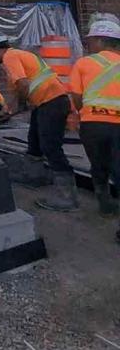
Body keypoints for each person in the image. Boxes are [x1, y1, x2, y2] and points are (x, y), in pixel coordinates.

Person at [0, 34, 77, 211]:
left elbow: (23, 84)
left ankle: (68, 198)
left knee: (51, 147)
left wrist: (21, 103)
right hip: (46, 103)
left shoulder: (10, 57)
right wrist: (8, 110)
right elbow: (16, 90)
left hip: (52, 102)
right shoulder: (20, 55)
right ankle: (36, 177)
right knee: (34, 141)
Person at [68, 13, 120, 241]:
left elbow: (77, 97)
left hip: (93, 125)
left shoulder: (83, 63)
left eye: (90, 40)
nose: (88, 44)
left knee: (99, 165)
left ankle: (105, 204)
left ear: (99, 40)